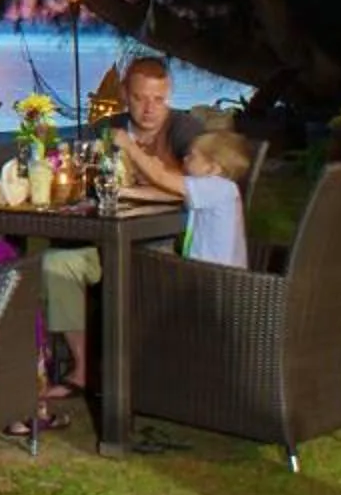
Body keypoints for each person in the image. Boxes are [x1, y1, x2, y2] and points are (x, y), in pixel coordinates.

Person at [40, 54, 208, 405]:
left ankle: (139, 373)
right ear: (125, 95)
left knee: (130, 273)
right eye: (140, 98)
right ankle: (82, 369)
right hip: (108, 242)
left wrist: (132, 171)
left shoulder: (183, 129)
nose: (149, 109)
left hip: (164, 248)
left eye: (158, 99)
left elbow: (194, 187)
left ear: (169, 95)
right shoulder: (108, 128)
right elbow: (87, 178)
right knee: (57, 263)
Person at [177, 129, 254, 270]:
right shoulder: (219, 187)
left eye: (192, 156)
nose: (185, 158)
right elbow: (167, 190)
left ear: (212, 168)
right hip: (214, 270)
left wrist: (135, 152)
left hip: (213, 273)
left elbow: (163, 180)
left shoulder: (218, 186)